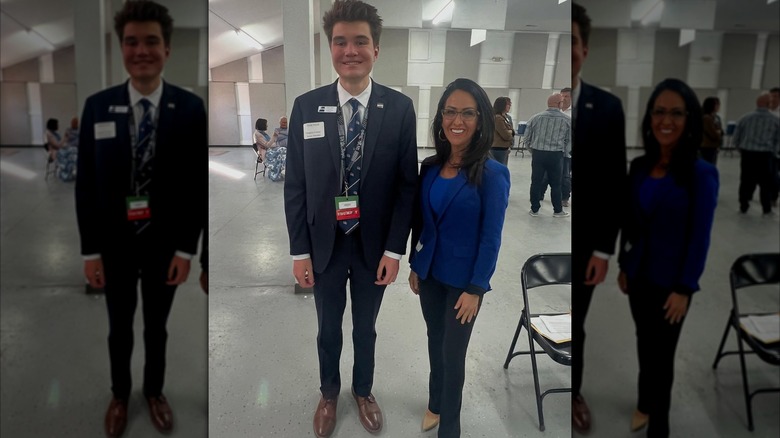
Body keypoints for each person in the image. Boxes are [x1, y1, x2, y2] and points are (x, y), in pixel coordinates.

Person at [283, 1, 418, 437]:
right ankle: (328, 392)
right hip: (323, 243)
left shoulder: (398, 109)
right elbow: (296, 186)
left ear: (376, 49)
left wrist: (396, 249)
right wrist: (298, 250)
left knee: (365, 327)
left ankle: (363, 390)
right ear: (330, 48)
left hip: (373, 247)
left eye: (360, 41)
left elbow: (405, 187)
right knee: (327, 328)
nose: (350, 50)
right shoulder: (308, 107)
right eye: (340, 41)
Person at [75, 1, 207, 436]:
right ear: (121, 48)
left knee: (155, 328)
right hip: (112, 245)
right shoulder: (99, 108)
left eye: (151, 41)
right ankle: (119, 394)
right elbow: (86, 187)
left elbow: (195, 188)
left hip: (165, 247)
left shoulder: (189, 109)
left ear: (166, 49)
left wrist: (190, 251)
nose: (141, 50)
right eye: (131, 41)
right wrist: (90, 251)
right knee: (118, 329)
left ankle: (153, 392)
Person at [408, 78, 510, 438]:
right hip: (431, 274)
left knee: (453, 356)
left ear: (481, 119)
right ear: (441, 117)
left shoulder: (494, 174)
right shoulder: (431, 167)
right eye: (450, 111)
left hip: (464, 284)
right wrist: (414, 264)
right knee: (435, 341)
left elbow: (491, 238)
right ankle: (435, 404)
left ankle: (449, 429)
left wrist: (476, 288)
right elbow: (420, 222)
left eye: (468, 113)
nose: (458, 120)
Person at [617, 78, 719, 438]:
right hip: (639, 275)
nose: (667, 120)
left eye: (677, 113)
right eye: (660, 111)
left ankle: (659, 426)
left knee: (662, 358)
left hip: (672, 285)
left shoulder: (701, 174)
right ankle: (645, 402)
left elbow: (699, 238)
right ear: (649, 117)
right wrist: (622, 263)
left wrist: (684, 288)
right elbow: (630, 222)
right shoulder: (641, 166)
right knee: (645, 344)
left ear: (690, 118)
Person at [570, 3, 628, 434]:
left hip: (588, 243)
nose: (570, 49)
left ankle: (573, 393)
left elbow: (615, 185)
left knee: (578, 323)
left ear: (584, 49)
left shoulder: (606, 108)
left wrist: (606, 249)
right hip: (553, 238)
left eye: (574, 41)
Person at [732, 92, 780, 215]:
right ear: (768, 104)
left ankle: (743, 206)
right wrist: (774, 152)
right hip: (766, 155)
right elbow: (778, 140)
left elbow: (736, 137)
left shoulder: (745, 118)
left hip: (748, 154)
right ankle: (766, 208)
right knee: (766, 183)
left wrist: (740, 149)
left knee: (746, 181)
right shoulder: (775, 120)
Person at [525, 93, 570, 217]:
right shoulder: (566, 120)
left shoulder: (536, 117)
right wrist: (565, 153)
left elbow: (527, 138)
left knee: (535, 182)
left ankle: (534, 210)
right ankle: (557, 210)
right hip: (556, 155)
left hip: (538, 154)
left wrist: (532, 150)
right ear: (559, 104)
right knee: (556, 184)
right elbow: (570, 140)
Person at [491, 96, 514, 166]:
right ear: (502, 105)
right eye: (508, 104)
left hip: (503, 149)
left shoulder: (505, 117)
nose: (509, 106)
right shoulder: (498, 118)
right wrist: (511, 132)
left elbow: (511, 130)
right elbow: (506, 135)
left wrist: (510, 131)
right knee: (499, 169)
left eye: (510, 104)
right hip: (498, 149)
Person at [700, 97, 722, 165]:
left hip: (712, 146)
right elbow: (713, 133)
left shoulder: (715, 117)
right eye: (716, 105)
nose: (718, 107)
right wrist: (718, 133)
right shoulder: (707, 118)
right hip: (707, 147)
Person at [57, 116, 80, 181]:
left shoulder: (80, 130)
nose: (73, 124)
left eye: (75, 122)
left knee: (72, 155)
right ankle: (65, 172)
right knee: (62, 153)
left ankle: (67, 173)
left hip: (76, 148)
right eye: (73, 122)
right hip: (69, 147)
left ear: (77, 123)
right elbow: (64, 139)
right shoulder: (68, 130)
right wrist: (61, 145)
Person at [266, 116, 288, 181]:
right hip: (279, 148)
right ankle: (284, 169)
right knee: (283, 151)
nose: (284, 124)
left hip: (289, 148)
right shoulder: (277, 130)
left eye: (285, 122)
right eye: (283, 122)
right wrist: (267, 145)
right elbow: (273, 139)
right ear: (280, 123)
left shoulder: (290, 129)